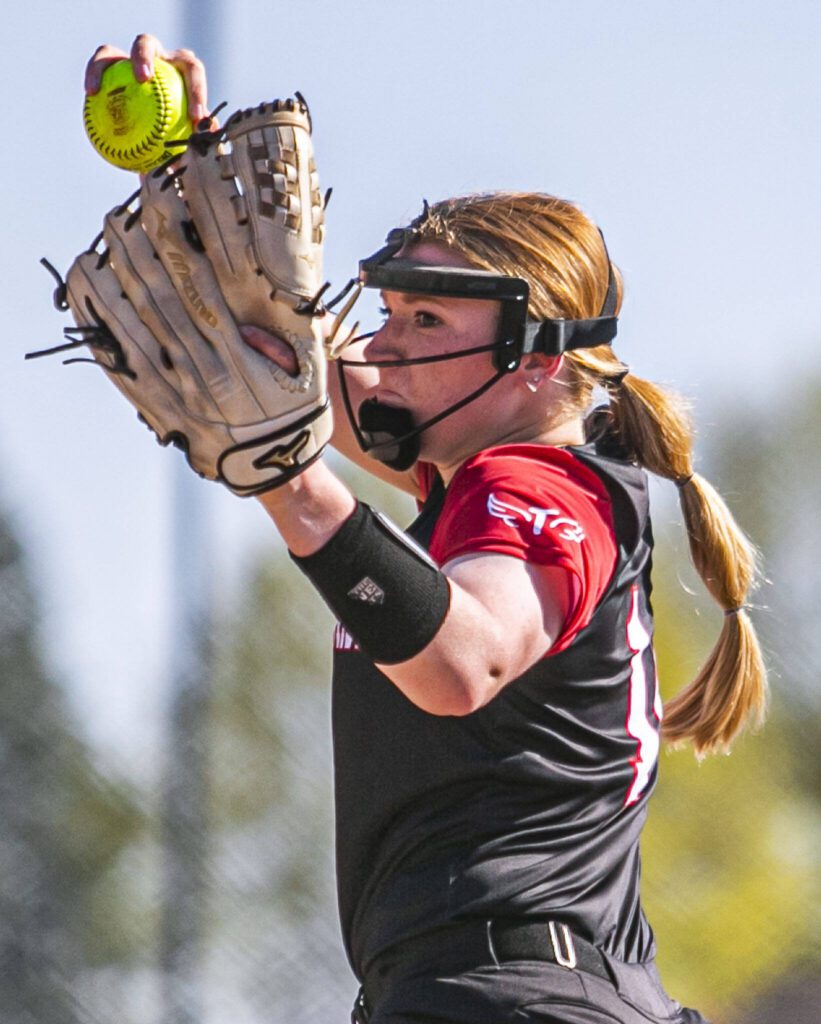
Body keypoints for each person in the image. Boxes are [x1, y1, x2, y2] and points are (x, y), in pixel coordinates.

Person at [87, 37, 767, 1024]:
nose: (383, 346)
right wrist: (184, 163)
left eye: (426, 325)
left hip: (513, 998)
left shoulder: (540, 486)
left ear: (534, 360)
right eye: (391, 309)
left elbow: (460, 663)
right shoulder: (483, 470)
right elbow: (290, 369)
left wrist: (294, 486)